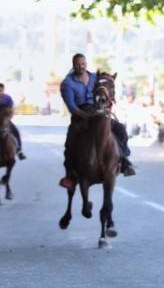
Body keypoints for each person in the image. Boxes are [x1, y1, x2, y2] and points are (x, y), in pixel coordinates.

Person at [58, 53, 135, 189]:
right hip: (80, 115)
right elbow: (71, 106)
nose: (80, 66)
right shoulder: (67, 83)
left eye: (83, 64)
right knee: (70, 143)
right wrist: (86, 115)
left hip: (98, 111)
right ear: (73, 65)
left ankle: (124, 161)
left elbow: (105, 89)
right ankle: (70, 175)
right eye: (77, 64)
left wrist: (108, 101)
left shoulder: (94, 77)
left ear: (86, 64)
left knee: (120, 129)